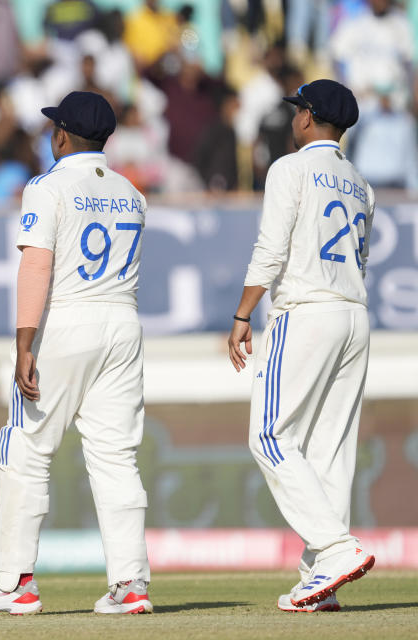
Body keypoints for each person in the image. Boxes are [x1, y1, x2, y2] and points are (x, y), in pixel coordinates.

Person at [0, 91, 152, 615]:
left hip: (69, 319)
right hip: (123, 322)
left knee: (24, 449)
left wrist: (24, 342)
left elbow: (37, 266)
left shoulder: (47, 186)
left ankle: (15, 581)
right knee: (115, 457)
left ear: (61, 135)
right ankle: (131, 582)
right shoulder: (133, 193)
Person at [227, 79, 376, 613]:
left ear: (309, 117)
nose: (294, 119)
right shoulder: (360, 182)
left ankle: (336, 550)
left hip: (307, 309)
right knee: (329, 451)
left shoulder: (289, 168)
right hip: (354, 314)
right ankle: (321, 579)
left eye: (298, 111)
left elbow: (271, 248)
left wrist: (244, 312)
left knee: (269, 435)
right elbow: (360, 261)